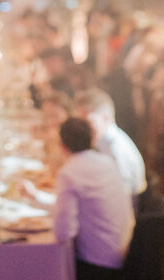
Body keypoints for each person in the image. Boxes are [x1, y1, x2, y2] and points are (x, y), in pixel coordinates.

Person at [53, 116, 134, 279]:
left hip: (96, 261)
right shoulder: (107, 162)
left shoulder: (69, 172)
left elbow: (64, 232)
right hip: (125, 250)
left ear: (62, 146)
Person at [73, 90, 147, 205]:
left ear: (106, 118)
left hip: (126, 207)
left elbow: (122, 193)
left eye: (87, 122)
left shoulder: (117, 149)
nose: (83, 128)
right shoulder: (101, 140)